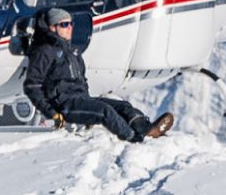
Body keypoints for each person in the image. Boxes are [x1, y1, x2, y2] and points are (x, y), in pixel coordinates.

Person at [22, 8, 172, 143]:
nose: (70, 28)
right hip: (64, 105)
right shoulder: (44, 51)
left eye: (71, 24)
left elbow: (82, 79)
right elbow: (32, 86)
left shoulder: (72, 52)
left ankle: (147, 129)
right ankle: (135, 138)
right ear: (52, 27)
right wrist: (52, 112)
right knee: (104, 111)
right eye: (64, 24)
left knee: (122, 106)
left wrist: (87, 102)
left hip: (81, 99)